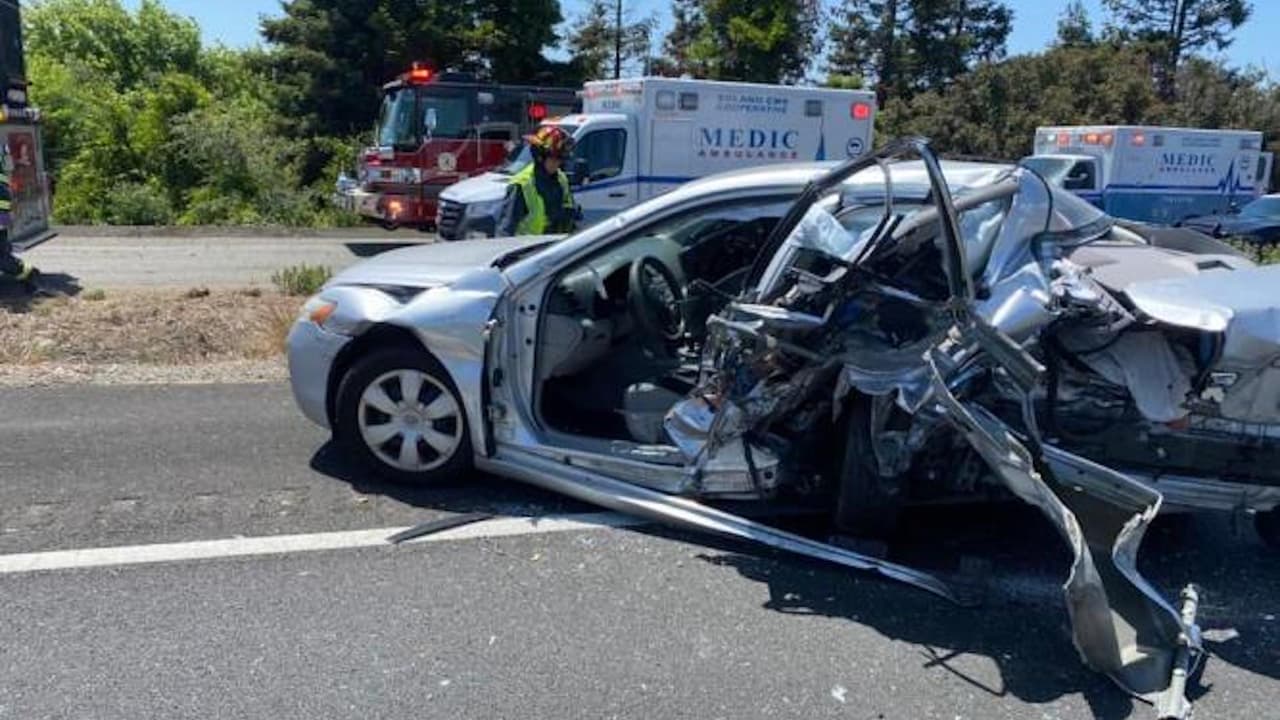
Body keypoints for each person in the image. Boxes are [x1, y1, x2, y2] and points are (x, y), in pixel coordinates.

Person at [498, 125, 577, 237]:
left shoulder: (561, 179)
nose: (558, 163)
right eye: (555, 158)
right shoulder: (522, 185)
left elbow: (570, 211)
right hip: (528, 250)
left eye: (561, 159)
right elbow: (505, 229)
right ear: (540, 156)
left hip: (556, 246)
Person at [0, 144, 40, 295]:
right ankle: (28, 273)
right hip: (3, 199)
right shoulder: (2, 147)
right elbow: (9, 167)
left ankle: (29, 274)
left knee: (1, 254)